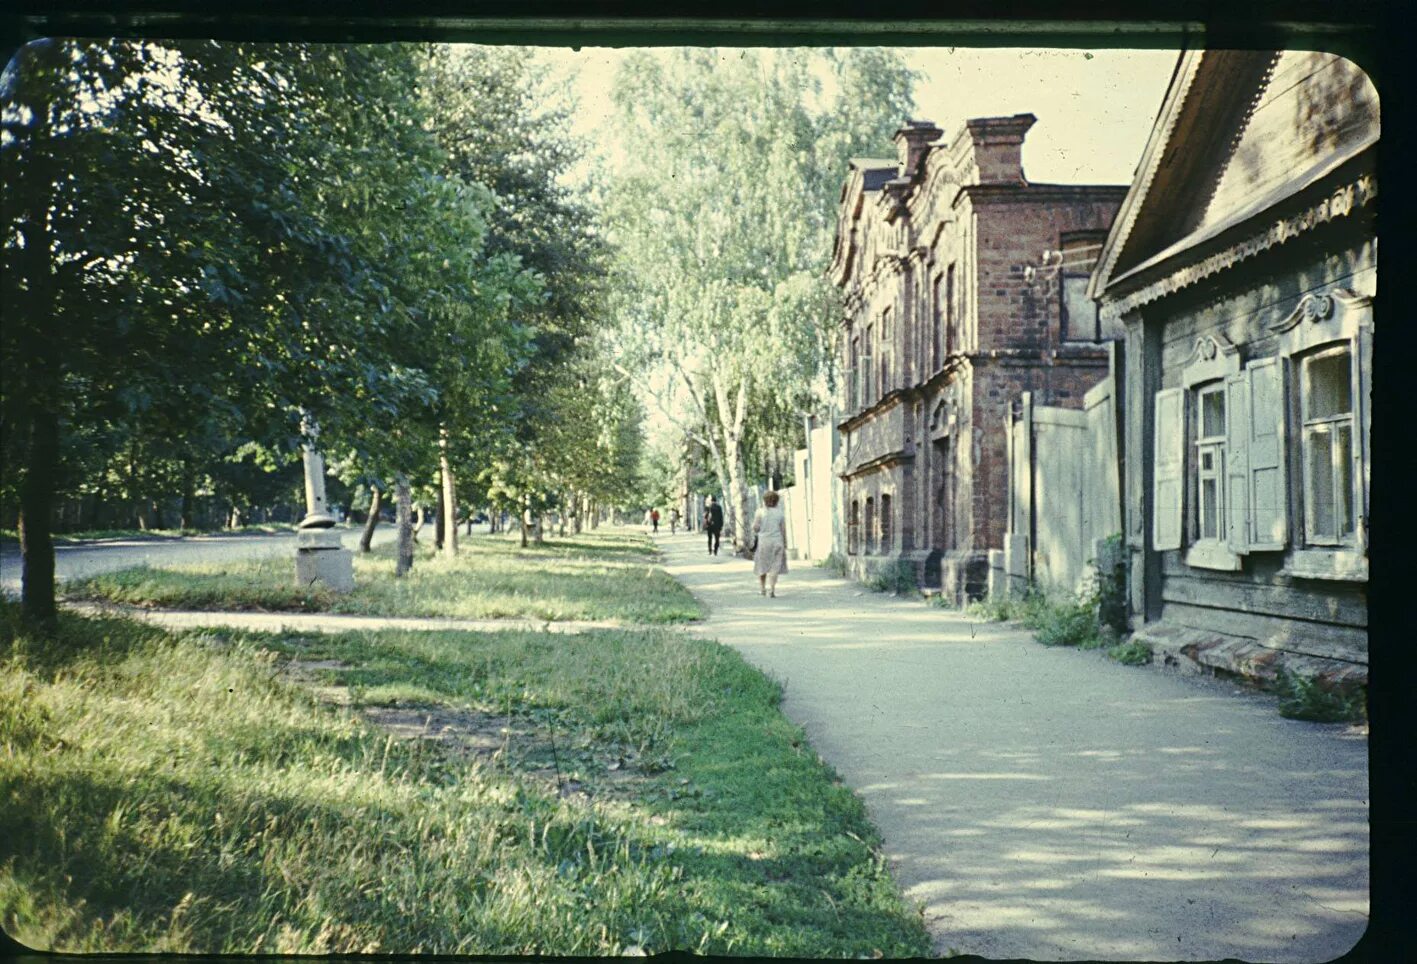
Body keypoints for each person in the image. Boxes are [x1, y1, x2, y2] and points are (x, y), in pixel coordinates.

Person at [752, 490, 789, 597]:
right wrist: (785, 543)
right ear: (777, 501)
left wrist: (754, 528)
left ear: (764, 500)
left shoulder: (760, 512)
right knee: (775, 566)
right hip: (777, 542)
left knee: (762, 566)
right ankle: (772, 590)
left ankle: (763, 589)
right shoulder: (780, 513)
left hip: (764, 543)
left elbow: (756, 528)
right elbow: (783, 530)